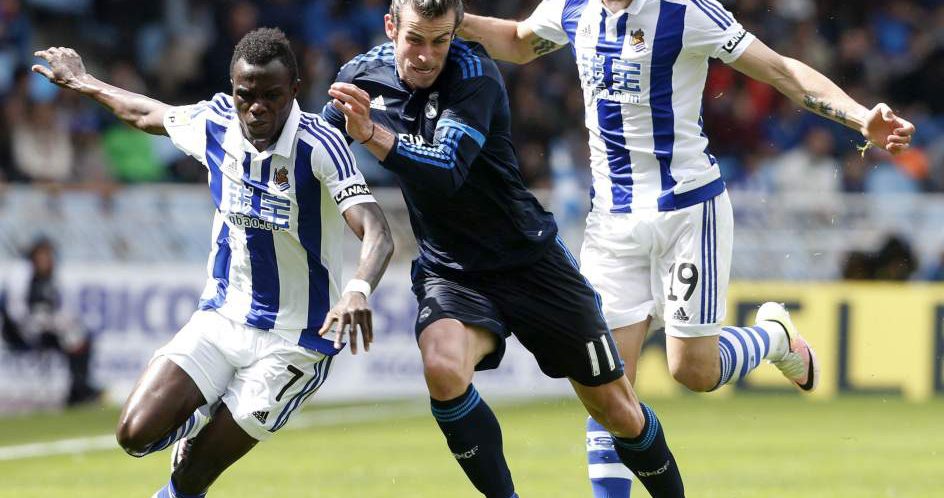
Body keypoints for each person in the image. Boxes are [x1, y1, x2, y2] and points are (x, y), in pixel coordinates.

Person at [457, 1, 917, 496]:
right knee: (605, 386)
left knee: (692, 370)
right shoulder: (573, 7)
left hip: (688, 211)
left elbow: (781, 70)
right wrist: (448, 20)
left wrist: (859, 117)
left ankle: (774, 337)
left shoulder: (687, 12)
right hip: (612, 224)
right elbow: (519, 42)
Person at [323, 1, 684, 497]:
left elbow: (446, 169)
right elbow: (317, 152)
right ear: (390, 27)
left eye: (440, 41)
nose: (426, 56)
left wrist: (370, 134)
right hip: (452, 271)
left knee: (618, 412)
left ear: (456, 33)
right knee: (442, 368)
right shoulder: (361, 77)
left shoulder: (475, 75)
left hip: (530, 262)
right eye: (415, 39)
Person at [31, 28, 394, 498]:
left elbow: (376, 229)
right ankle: (203, 414)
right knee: (133, 434)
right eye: (246, 95)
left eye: (271, 96)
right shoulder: (215, 122)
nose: (257, 108)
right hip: (222, 319)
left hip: (295, 343)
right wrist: (83, 81)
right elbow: (145, 113)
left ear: (294, 91)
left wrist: (358, 290)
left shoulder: (319, 145)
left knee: (191, 478)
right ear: (233, 89)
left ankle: (193, 457)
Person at [1, 237, 101, 406]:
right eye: (42, 255)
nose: (46, 259)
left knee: (81, 339)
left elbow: (61, 307)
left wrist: (57, 321)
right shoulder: (23, 274)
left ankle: (78, 388)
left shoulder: (52, 277)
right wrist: (35, 323)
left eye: (49, 255)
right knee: (71, 338)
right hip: (20, 332)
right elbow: (15, 310)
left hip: (46, 329)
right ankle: (79, 390)